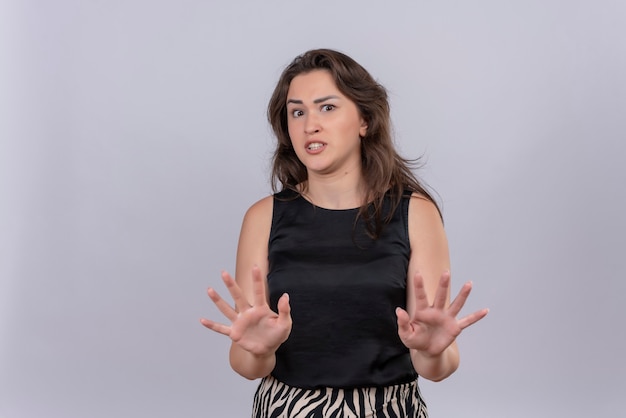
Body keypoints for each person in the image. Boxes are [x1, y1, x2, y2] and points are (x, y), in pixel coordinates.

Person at [200, 48, 488, 418]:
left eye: (327, 107)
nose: (310, 124)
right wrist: (257, 350)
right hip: (289, 410)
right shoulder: (263, 217)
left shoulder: (415, 213)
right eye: (297, 111)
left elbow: (436, 368)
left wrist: (433, 351)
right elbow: (246, 365)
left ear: (365, 120)